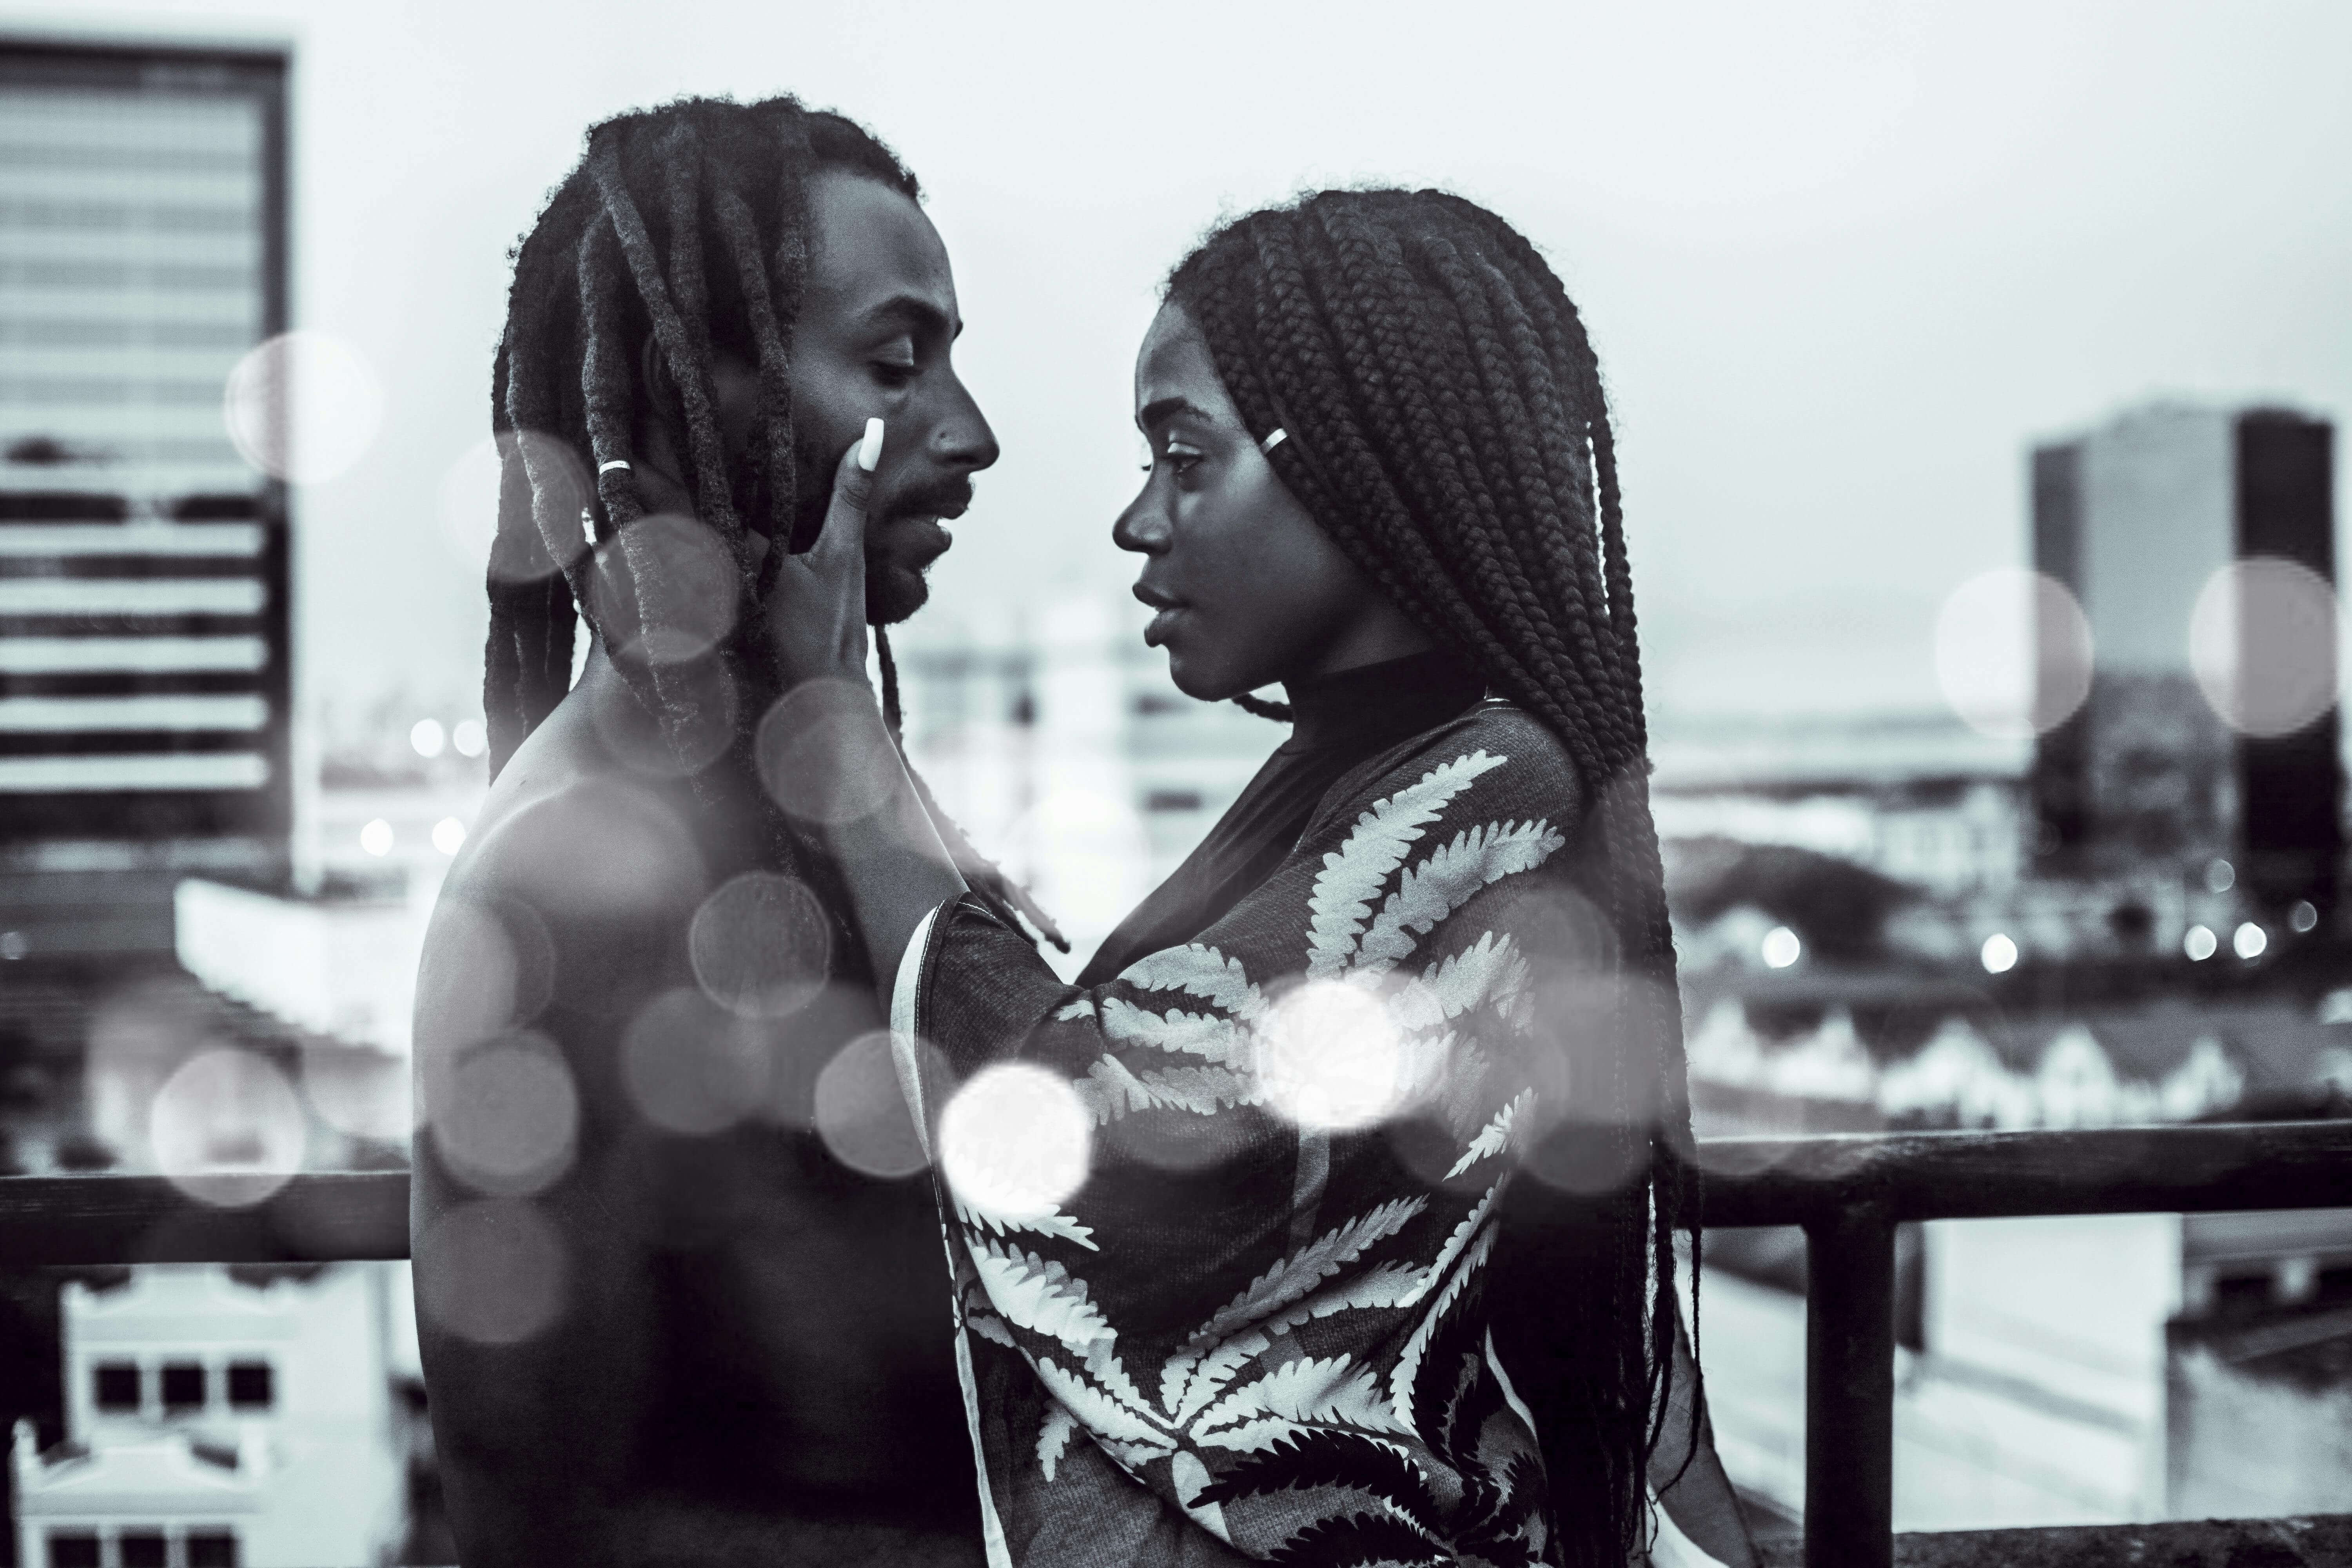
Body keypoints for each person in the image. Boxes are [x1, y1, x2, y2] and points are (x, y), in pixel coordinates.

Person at [764, 190, 1756, 1565]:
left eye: (1184, 454)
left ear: (1359, 462)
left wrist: (830, 731)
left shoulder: (1489, 791)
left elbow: (1076, 1135)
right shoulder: (1373, 772)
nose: (1136, 521)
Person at [412, 95, 1031, 1566]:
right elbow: (542, 1513)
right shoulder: (579, 868)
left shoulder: (814, 781)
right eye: (897, 363)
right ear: (708, 388)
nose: (973, 432)